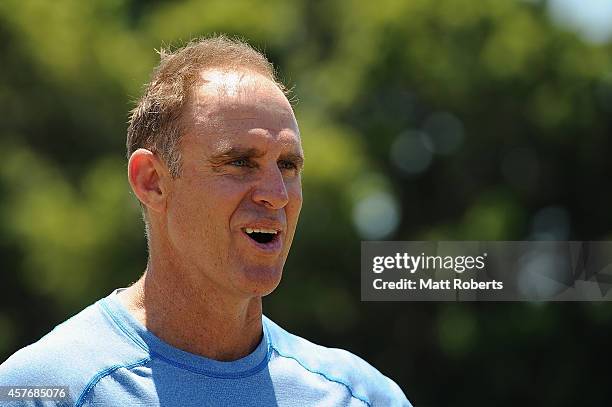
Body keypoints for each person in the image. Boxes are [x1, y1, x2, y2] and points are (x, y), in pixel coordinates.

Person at [0, 35, 411, 407]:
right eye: (239, 162)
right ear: (153, 182)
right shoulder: (42, 391)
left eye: (287, 165)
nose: (277, 194)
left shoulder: (362, 396)